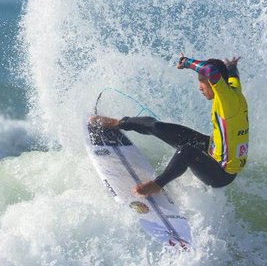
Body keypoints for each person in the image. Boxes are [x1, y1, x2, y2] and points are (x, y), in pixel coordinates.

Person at [89, 53, 249, 197]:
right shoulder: (233, 88)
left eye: (203, 83)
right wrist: (232, 66)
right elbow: (231, 75)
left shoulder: (226, 99)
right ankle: (119, 123)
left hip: (221, 174)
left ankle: (157, 185)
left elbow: (209, 70)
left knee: (186, 151)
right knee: (158, 127)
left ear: (215, 83)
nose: (200, 87)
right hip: (213, 148)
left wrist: (185, 62)